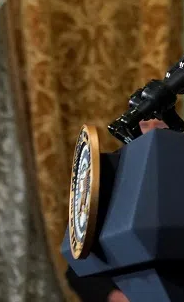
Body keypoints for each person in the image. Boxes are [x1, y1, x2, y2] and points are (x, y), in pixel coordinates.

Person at [65, 119, 167, 302]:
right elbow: (77, 271)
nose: (152, 129)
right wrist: (114, 297)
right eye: (146, 125)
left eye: (159, 125)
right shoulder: (113, 190)